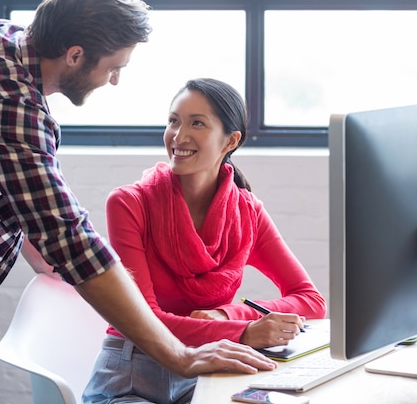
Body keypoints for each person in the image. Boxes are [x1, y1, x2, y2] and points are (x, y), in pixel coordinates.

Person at [0, 0, 276, 403]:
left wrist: (42, 252)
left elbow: (11, 182)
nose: (115, 80)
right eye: (113, 67)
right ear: (74, 55)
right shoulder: (8, 102)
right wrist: (180, 356)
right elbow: (73, 241)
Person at [83, 78, 327, 404]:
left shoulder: (247, 212)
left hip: (206, 371)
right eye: (174, 121)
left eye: (197, 123)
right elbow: (145, 318)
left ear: (230, 141)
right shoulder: (129, 204)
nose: (178, 136)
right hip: (133, 371)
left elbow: (310, 300)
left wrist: (229, 315)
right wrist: (244, 333)